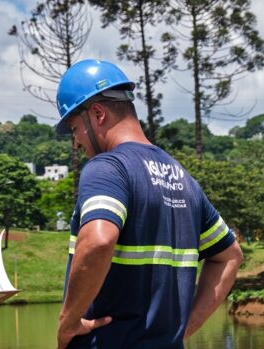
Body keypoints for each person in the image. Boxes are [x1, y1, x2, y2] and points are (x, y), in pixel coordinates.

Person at [54, 59, 243, 349]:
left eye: (74, 128)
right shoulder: (183, 178)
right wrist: (184, 330)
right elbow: (229, 256)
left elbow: (98, 241)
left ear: (98, 114)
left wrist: (67, 323)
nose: (76, 142)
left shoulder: (108, 168)